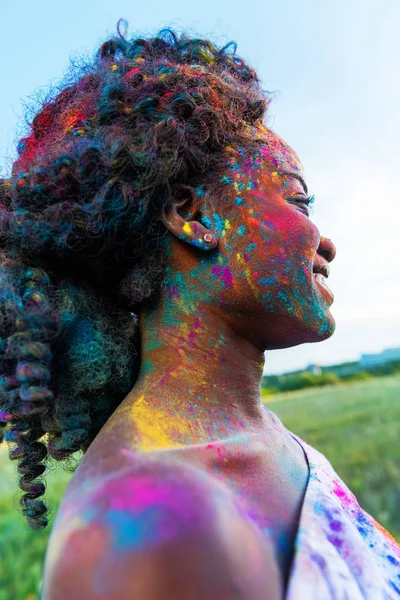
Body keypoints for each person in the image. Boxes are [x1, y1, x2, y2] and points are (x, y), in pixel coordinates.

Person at [0, 25, 399, 600]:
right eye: (297, 198)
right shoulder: (152, 527)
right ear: (192, 215)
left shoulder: (259, 438)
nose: (325, 240)